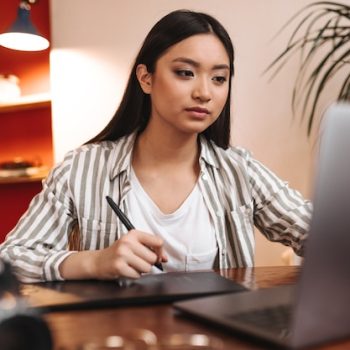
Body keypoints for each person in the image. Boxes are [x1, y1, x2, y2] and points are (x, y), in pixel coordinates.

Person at [0, 10, 312, 283]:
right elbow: (10, 258)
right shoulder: (82, 169)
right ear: (146, 78)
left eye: (219, 78)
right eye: (185, 73)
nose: (204, 92)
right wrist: (93, 261)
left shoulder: (240, 170)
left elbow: (321, 235)